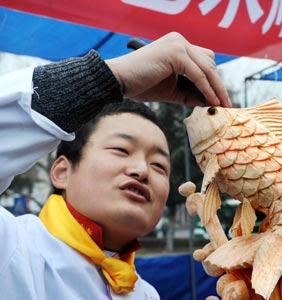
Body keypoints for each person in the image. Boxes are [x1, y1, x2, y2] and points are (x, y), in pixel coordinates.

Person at [0, 32, 230, 299]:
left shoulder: (145, 294)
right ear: (62, 171)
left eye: (159, 166)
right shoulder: (13, 247)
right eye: (121, 150)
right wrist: (110, 78)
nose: (142, 171)